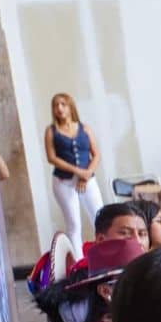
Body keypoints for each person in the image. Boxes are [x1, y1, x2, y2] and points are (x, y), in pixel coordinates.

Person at [45, 92, 104, 248]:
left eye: (63, 104)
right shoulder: (51, 131)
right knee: (74, 224)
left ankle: (106, 255)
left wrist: (86, 175)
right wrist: (78, 172)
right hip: (64, 182)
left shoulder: (85, 128)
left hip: (88, 179)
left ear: (70, 107)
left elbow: (96, 154)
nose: (59, 108)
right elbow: (52, 158)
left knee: (101, 219)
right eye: (56, 105)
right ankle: (77, 263)